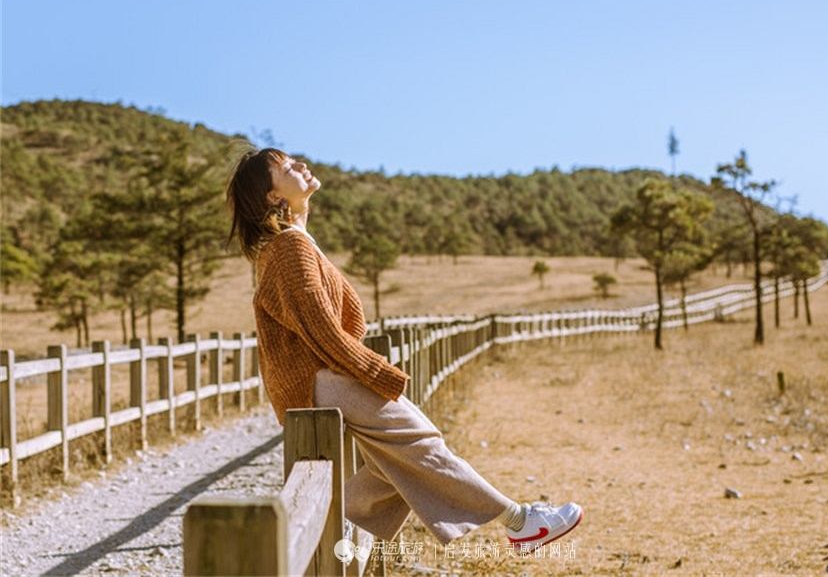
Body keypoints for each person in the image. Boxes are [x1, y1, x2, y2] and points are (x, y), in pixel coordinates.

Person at [226, 147, 583, 549]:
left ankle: (320, 526)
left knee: (393, 463)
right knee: (420, 444)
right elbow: (323, 332)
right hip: (318, 380)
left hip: (322, 378)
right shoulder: (289, 248)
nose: (301, 165)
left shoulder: (297, 242)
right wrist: (377, 371)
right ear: (274, 197)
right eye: (286, 167)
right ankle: (520, 523)